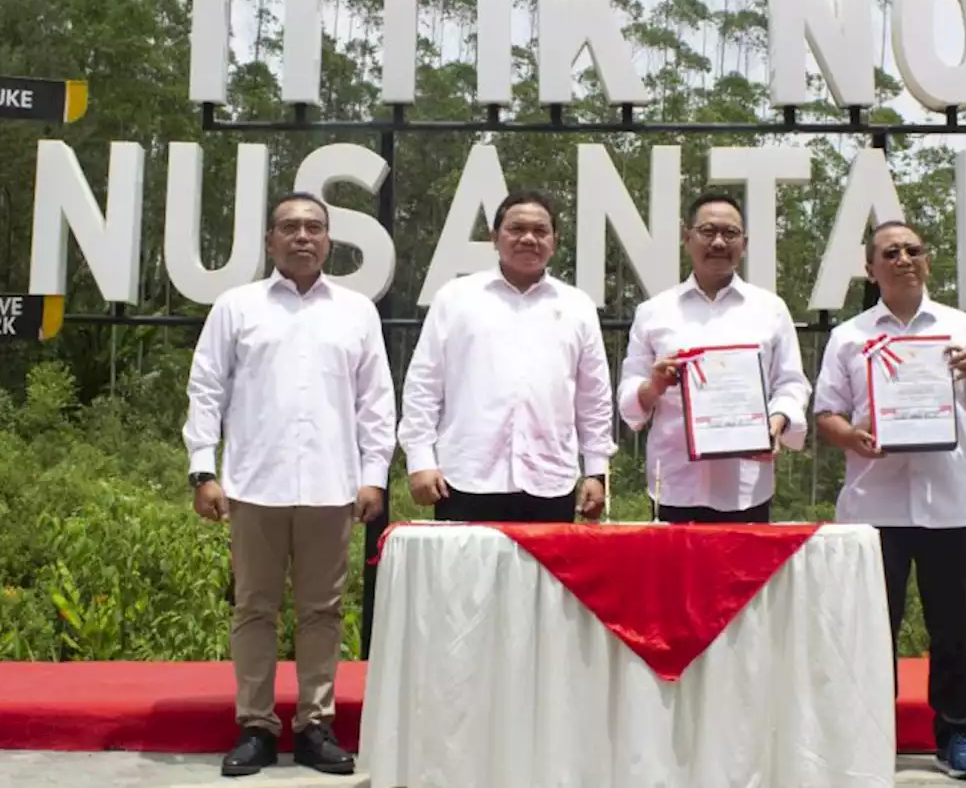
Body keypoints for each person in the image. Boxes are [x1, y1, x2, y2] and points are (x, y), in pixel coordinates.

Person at [182, 191, 397, 778]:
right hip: (254, 484)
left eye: (314, 227)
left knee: (322, 611)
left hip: (333, 486)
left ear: (329, 240)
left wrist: (374, 475)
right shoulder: (237, 306)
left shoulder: (356, 311)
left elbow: (376, 402)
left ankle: (314, 725)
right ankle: (255, 725)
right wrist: (204, 469)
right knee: (254, 607)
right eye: (289, 227)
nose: (303, 236)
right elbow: (207, 390)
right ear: (270, 240)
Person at [812, 220, 966, 782]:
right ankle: (869, 737)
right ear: (869, 268)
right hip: (873, 507)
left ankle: (956, 737)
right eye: (889, 252)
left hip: (948, 503)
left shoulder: (962, 327)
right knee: (874, 630)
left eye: (912, 250)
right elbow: (827, 412)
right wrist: (848, 436)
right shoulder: (849, 336)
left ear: (927, 261)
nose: (902, 259)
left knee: (953, 628)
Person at [397, 189, 616, 522]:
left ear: (554, 241)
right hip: (465, 478)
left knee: (542, 577)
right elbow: (424, 385)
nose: (528, 238)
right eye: (516, 229)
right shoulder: (455, 298)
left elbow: (594, 398)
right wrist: (420, 460)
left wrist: (596, 471)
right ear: (494, 238)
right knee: (465, 576)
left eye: (540, 231)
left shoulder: (577, 306)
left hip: (550, 481)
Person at [616, 191, 811, 522]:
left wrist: (775, 424)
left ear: (744, 243)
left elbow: (791, 384)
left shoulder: (770, 309)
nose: (719, 242)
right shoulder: (654, 312)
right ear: (686, 236)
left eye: (730, 233)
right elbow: (629, 394)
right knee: (676, 576)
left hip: (747, 486)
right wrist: (654, 386)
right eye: (708, 231)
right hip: (675, 483)